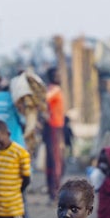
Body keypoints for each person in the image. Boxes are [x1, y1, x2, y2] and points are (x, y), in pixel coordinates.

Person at [44, 67, 65, 202]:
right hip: (54, 127)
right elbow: (44, 101)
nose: (58, 77)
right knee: (56, 161)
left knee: (54, 161)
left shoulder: (53, 89)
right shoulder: (54, 89)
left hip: (56, 127)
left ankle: (54, 191)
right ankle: (55, 192)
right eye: (56, 75)